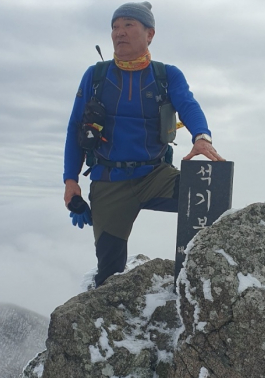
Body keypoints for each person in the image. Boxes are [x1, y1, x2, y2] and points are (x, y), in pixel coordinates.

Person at [63, 1, 225, 288]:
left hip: (155, 176)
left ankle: (201, 283)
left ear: (150, 34)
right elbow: (75, 127)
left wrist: (201, 136)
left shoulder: (166, 75)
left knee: (211, 202)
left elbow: (188, 105)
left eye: (128, 25)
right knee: (109, 275)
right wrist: (70, 180)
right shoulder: (96, 76)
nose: (119, 32)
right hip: (109, 181)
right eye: (115, 26)